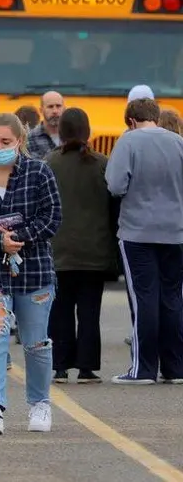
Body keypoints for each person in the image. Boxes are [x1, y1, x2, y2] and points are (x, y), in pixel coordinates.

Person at [0, 113, 62, 435]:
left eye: (5, 142)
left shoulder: (39, 172)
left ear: (19, 141)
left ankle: (40, 403)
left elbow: (53, 216)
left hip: (34, 268)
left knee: (35, 343)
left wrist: (19, 237)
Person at [105, 97, 183, 384]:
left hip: (138, 231)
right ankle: (176, 367)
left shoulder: (129, 142)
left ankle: (143, 369)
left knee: (143, 299)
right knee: (173, 298)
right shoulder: (178, 142)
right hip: (176, 231)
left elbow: (115, 185)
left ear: (131, 120)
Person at [46, 108, 116, 384]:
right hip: (94, 251)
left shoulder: (49, 163)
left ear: (61, 131)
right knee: (89, 310)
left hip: (59, 251)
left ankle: (60, 365)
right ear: (87, 131)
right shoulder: (102, 163)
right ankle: (87, 367)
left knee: (60, 308)